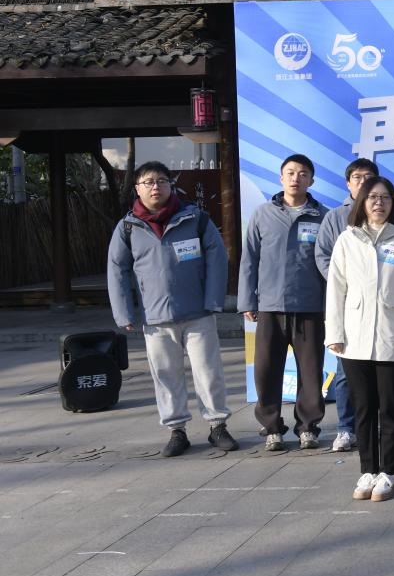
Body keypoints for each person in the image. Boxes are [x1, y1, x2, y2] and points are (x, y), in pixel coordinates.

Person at [107, 162, 236, 457]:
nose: (156, 187)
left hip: (198, 313)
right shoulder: (128, 227)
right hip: (155, 318)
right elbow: (116, 269)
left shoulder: (195, 218)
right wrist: (124, 313)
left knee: (209, 372)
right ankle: (177, 430)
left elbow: (217, 258)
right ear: (137, 188)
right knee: (166, 375)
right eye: (148, 182)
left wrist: (213, 301)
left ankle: (217, 425)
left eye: (162, 181)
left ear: (170, 185)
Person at [325, 177, 394, 502]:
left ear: (393, 203)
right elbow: (336, 289)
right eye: (372, 198)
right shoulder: (347, 239)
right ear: (362, 203)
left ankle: (388, 472)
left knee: (391, 408)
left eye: (385, 198)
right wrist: (335, 333)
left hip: (392, 335)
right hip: (354, 337)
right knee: (364, 407)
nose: (379, 203)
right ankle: (367, 470)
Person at [239, 154, 328, 451]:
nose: (295, 178)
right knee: (266, 370)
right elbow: (249, 259)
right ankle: (271, 427)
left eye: (303, 173)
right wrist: (247, 300)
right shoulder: (263, 214)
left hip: (310, 305)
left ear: (311, 180)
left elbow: (331, 262)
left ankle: (308, 427)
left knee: (311, 372)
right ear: (281, 178)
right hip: (270, 305)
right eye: (290, 173)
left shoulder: (323, 216)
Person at [315, 157, 380, 453]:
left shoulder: (386, 214)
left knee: (382, 371)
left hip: (380, 307)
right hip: (348, 305)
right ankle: (345, 428)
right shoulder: (334, 217)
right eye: (357, 177)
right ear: (348, 183)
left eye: (369, 177)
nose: (363, 182)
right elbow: (323, 256)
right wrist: (347, 284)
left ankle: (379, 424)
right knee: (346, 371)